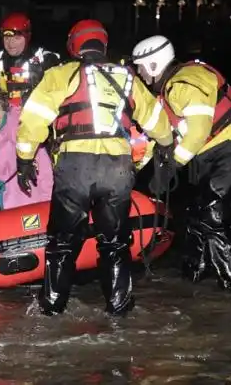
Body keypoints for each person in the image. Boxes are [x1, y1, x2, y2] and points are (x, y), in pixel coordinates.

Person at [16, 20, 175, 317]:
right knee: (115, 244)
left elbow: (33, 121)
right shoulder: (128, 77)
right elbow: (156, 119)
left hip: (75, 168)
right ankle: (119, 310)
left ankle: (51, 310)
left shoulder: (60, 75)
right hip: (117, 170)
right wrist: (165, 144)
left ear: (74, 44)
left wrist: (24, 159)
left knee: (62, 244)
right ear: (103, 44)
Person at [131, 35, 231, 292]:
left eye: (141, 68)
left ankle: (230, 290)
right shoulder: (164, 96)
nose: (140, 74)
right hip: (205, 156)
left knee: (212, 216)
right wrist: (130, 171)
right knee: (195, 217)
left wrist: (172, 166)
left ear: (155, 64)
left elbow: (198, 131)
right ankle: (193, 282)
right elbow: (155, 138)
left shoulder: (186, 82)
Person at [0, 12, 61, 110]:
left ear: (27, 37)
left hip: (33, 121)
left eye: (16, 38)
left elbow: (59, 96)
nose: (10, 43)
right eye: (7, 38)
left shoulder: (45, 60)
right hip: (3, 121)